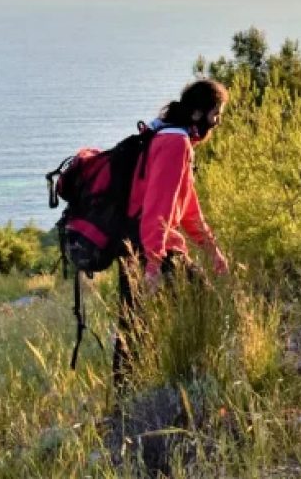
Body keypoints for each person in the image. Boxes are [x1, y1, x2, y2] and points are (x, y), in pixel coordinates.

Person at [115, 79, 230, 385]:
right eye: (215, 113)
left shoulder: (170, 138)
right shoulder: (174, 144)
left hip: (142, 244)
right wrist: (152, 266)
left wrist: (211, 249)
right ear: (196, 114)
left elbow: (188, 207)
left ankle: (137, 394)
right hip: (151, 248)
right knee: (201, 308)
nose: (217, 121)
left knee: (134, 325)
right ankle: (182, 384)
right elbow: (158, 209)